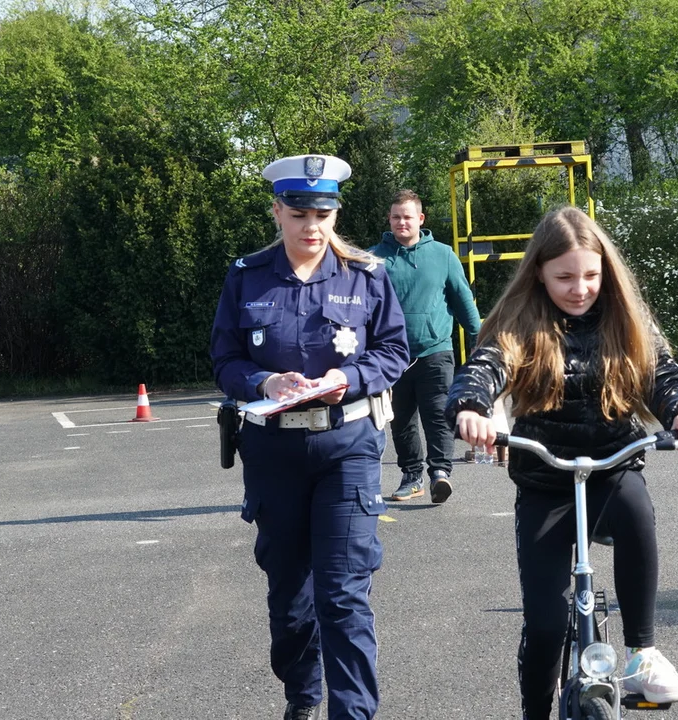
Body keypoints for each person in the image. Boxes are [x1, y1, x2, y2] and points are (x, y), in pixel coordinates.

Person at [445, 206, 678, 719]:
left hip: (613, 463)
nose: (579, 287)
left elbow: (663, 375)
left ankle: (642, 654)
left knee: (636, 516)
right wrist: (472, 408)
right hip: (545, 478)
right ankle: (535, 712)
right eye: (564, 276)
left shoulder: (625, 317)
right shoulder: (519, 320)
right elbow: (485, 367)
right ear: (539, 272)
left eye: (591, 275)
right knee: (544, 623)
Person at [211, 154, 409, 720]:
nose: (311, 225)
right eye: (299, 212)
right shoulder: (246, 276)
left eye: (323, 212)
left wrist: (346, 378)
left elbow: (394, 350)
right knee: (290, 598)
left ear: (336, 212)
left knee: (344, 594)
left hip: (348, 446)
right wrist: (263, 380)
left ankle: (353, 714)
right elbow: (223, 358)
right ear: (277, 211)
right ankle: (303, 698)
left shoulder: (367, 275)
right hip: (273, 451)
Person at [369, 190, 481, 503]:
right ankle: (411, 476)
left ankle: (440, 474)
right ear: (389, 220)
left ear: (420, 219)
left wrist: (480, 343)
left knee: (437, 417)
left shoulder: (443, 255)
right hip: (391, 357)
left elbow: (463, 303)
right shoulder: (373, 259)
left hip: (436, 351)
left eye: (407, 216)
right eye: (395, 217)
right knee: (401, 421)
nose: (401, 222)